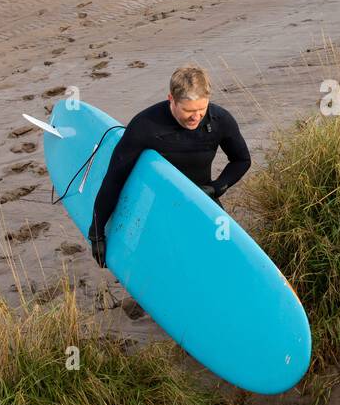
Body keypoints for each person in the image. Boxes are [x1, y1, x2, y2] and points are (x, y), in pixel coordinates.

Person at [87, 65, 250, 267]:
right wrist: (96, 233)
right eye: (188, 110)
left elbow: (241, 160)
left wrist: (216, 188)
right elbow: (115, 178)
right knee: (172, 262)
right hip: (157, 209)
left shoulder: (220, 120)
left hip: (200, 200)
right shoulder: (145, 126)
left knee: (222, 259)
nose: (196, 117)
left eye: (202, 109)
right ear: (171, 99)